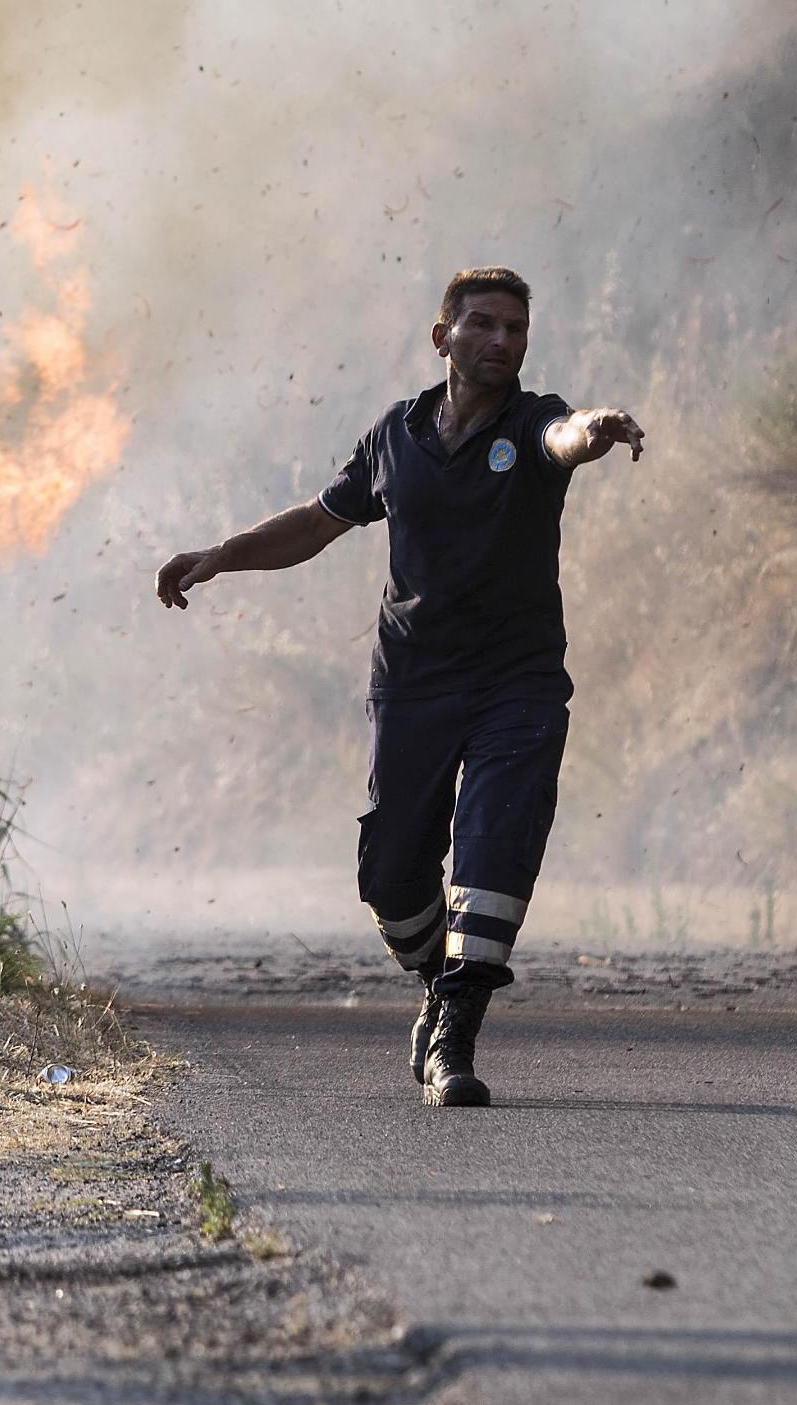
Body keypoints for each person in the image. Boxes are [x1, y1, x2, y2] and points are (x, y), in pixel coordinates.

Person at [155, 267, 646, 1107]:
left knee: (491, 852)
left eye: (516, 329)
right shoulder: (395, 435)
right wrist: (220, 557)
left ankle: (456, 1034)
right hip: (413, 682)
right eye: (483, 325)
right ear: (442, 337)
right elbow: (317, 522)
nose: (501, 341)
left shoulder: (532, 423)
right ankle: (437, 980)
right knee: (390, 875)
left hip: (516, 684)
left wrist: (593, 428)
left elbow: (564, 436)